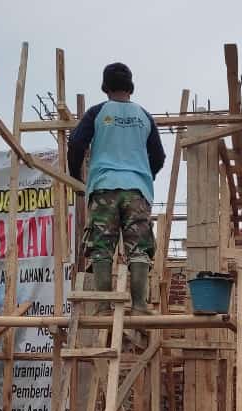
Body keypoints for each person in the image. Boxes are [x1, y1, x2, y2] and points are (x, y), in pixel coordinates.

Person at [67, 62, 165, 314]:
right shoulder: (144, 116)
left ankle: (103, 307)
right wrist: (144, 177)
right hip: (137, 191)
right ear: (130, 88)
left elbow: (76, 144)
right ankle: (140, 305)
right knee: (139, 247)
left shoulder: (97, 113)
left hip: (104, 188)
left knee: (101, 247)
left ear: (105, 87)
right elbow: (159, 156)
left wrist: (76, 177)